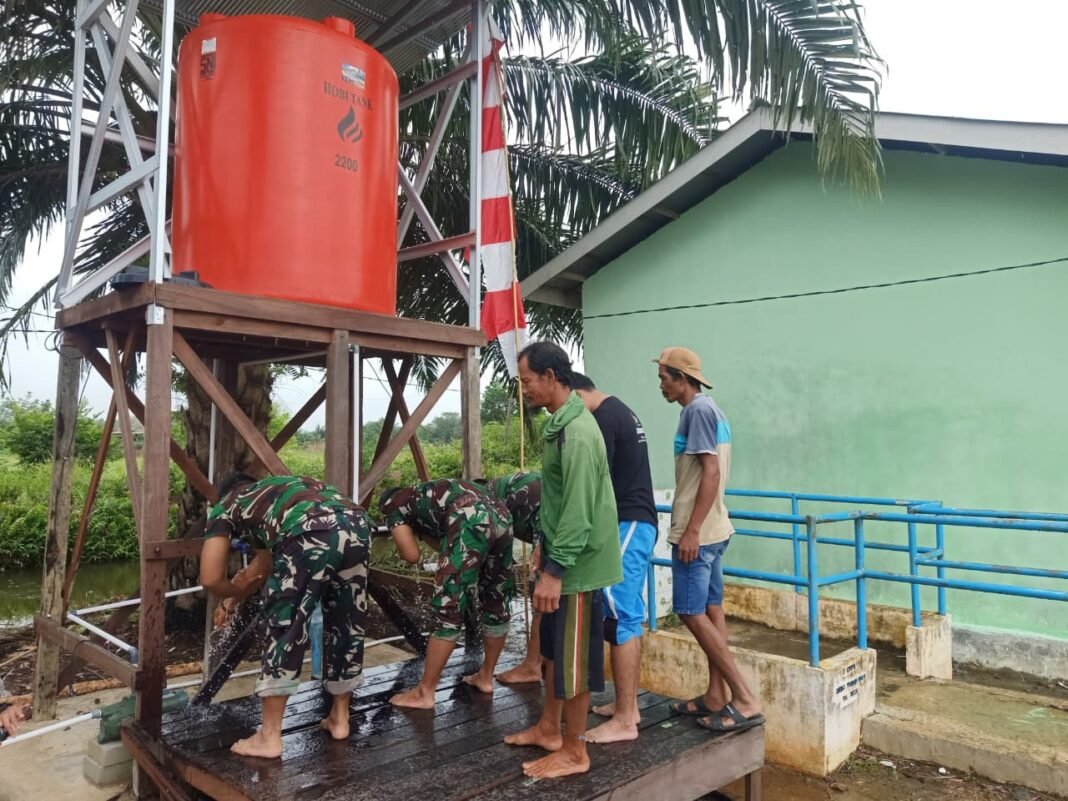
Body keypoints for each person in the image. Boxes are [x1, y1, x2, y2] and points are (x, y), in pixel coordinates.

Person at [504, 342, 621, 779]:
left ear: (551, 377)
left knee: (573, 661)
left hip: (577, 567)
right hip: (559, 556)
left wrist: (555, 571)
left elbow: (577, 510)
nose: (525, 390)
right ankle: (550, 727)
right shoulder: (560, 424)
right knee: (553, 652)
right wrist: (541, 545)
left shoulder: (579, 434)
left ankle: (575, 751)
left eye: (528, 381)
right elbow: (554, 501)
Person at [200, 473, 371, 758]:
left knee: (286, 623)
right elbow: (262, 565)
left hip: (307, 528)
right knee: (347, 622)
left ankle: (269, 736)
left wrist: (225, 590)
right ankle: (340, 718)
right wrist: (234, 599)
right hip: (357, 522)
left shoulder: (227, 504)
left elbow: (209, 577)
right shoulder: (281, 491)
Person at [655, 347, 764, 734]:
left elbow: (711, 473)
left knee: (689, 610)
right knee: (712, 608)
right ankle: (716, 694)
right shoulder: (713, 410)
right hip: (717, 529)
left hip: (700, 533)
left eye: (664, 379)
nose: (661, 386)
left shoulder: (696, 412)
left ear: (681, 378)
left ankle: (745, 697)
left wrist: (692, 530)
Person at [570, 372, 658, 743]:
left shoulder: (603, 419)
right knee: (627, 615)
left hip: (628, 522)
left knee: (620, 616)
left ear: (576, 393)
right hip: (633, 522)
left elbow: (591, 483)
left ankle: (624, 720)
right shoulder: (619, 410)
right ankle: (629, 707)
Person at [379, 478, 516, 709]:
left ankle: (425, 692)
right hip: (501, 515)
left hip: (469, 517)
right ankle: (485, 677)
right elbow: (443, 542)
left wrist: (408, 536)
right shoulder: (422, 493)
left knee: (448, 609)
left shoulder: (392, 505)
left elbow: (412, 555)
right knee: (495, 600)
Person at [489, 471, 547, 686]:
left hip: (549, 518)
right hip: (553, 512)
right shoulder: (495, 493)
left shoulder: (484, 504)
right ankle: (545, 660)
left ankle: (533, 665)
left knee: (542, 596)